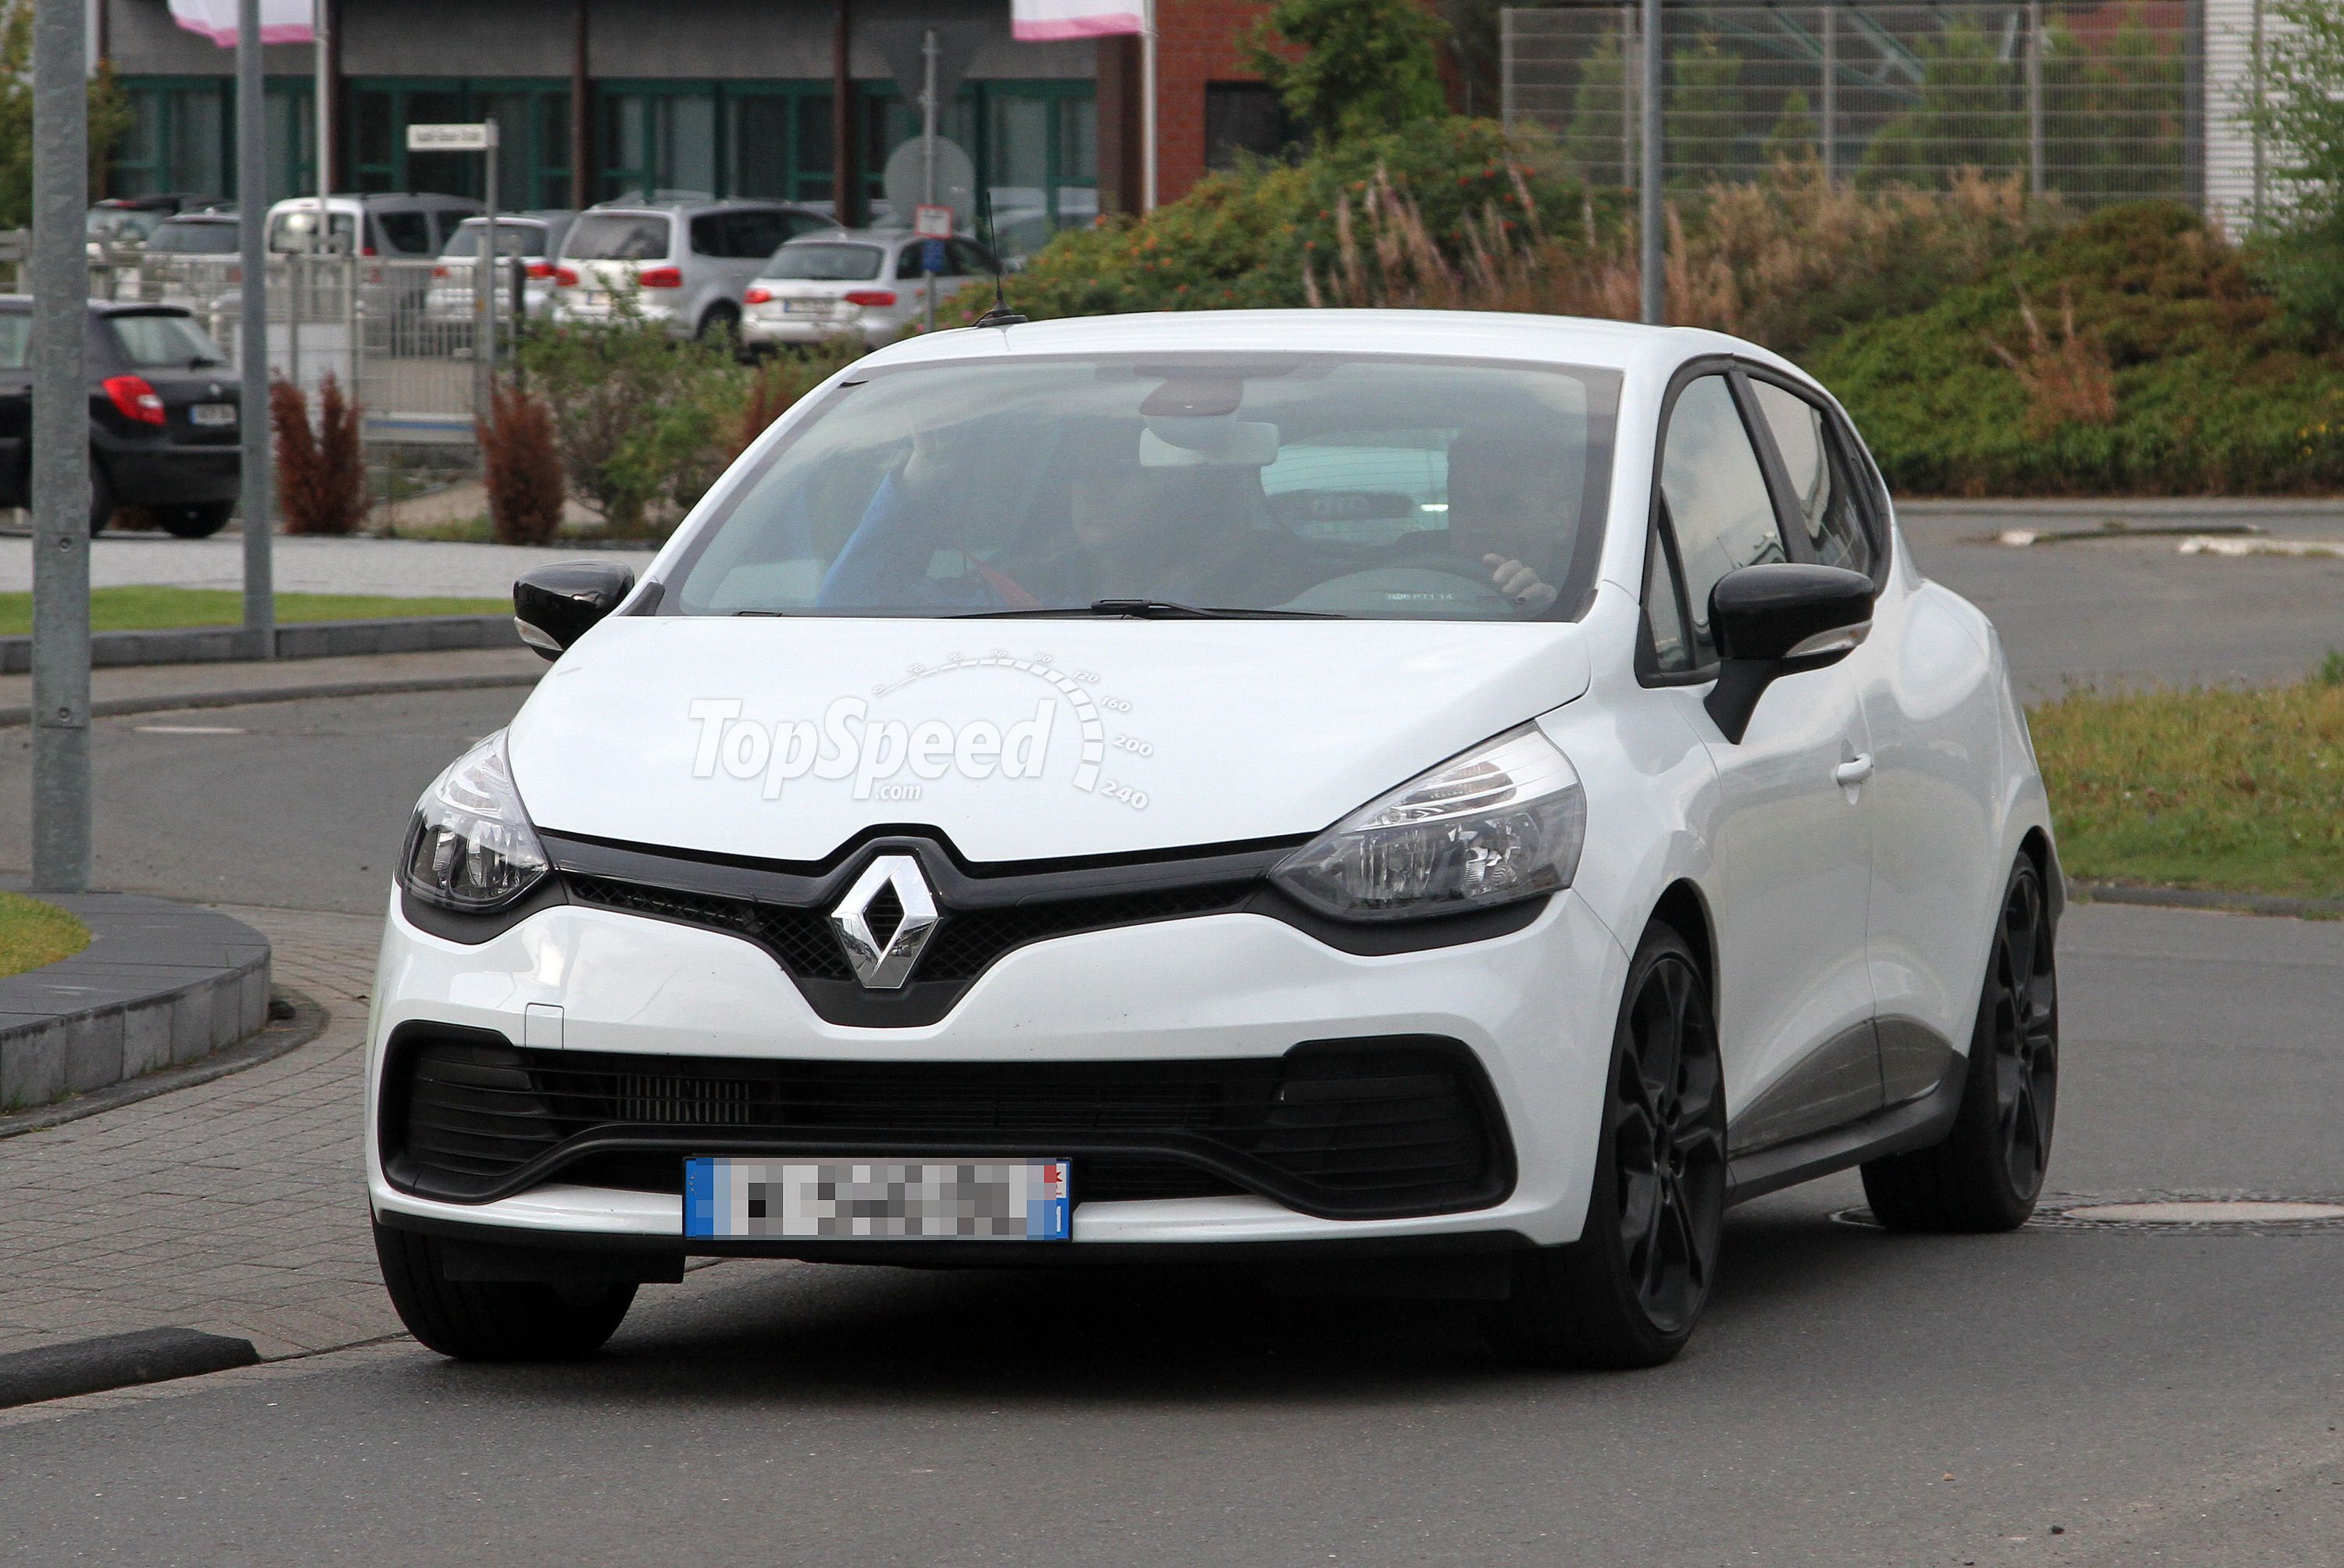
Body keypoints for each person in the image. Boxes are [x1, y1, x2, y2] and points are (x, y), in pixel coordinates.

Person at [1435, 433, 1584, 613]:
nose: (1478, 526)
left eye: (1505, 508)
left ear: (1561, 521)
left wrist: (1549, 610)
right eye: (1462, 505)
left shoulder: (1589, 604)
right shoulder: (1412, 587)